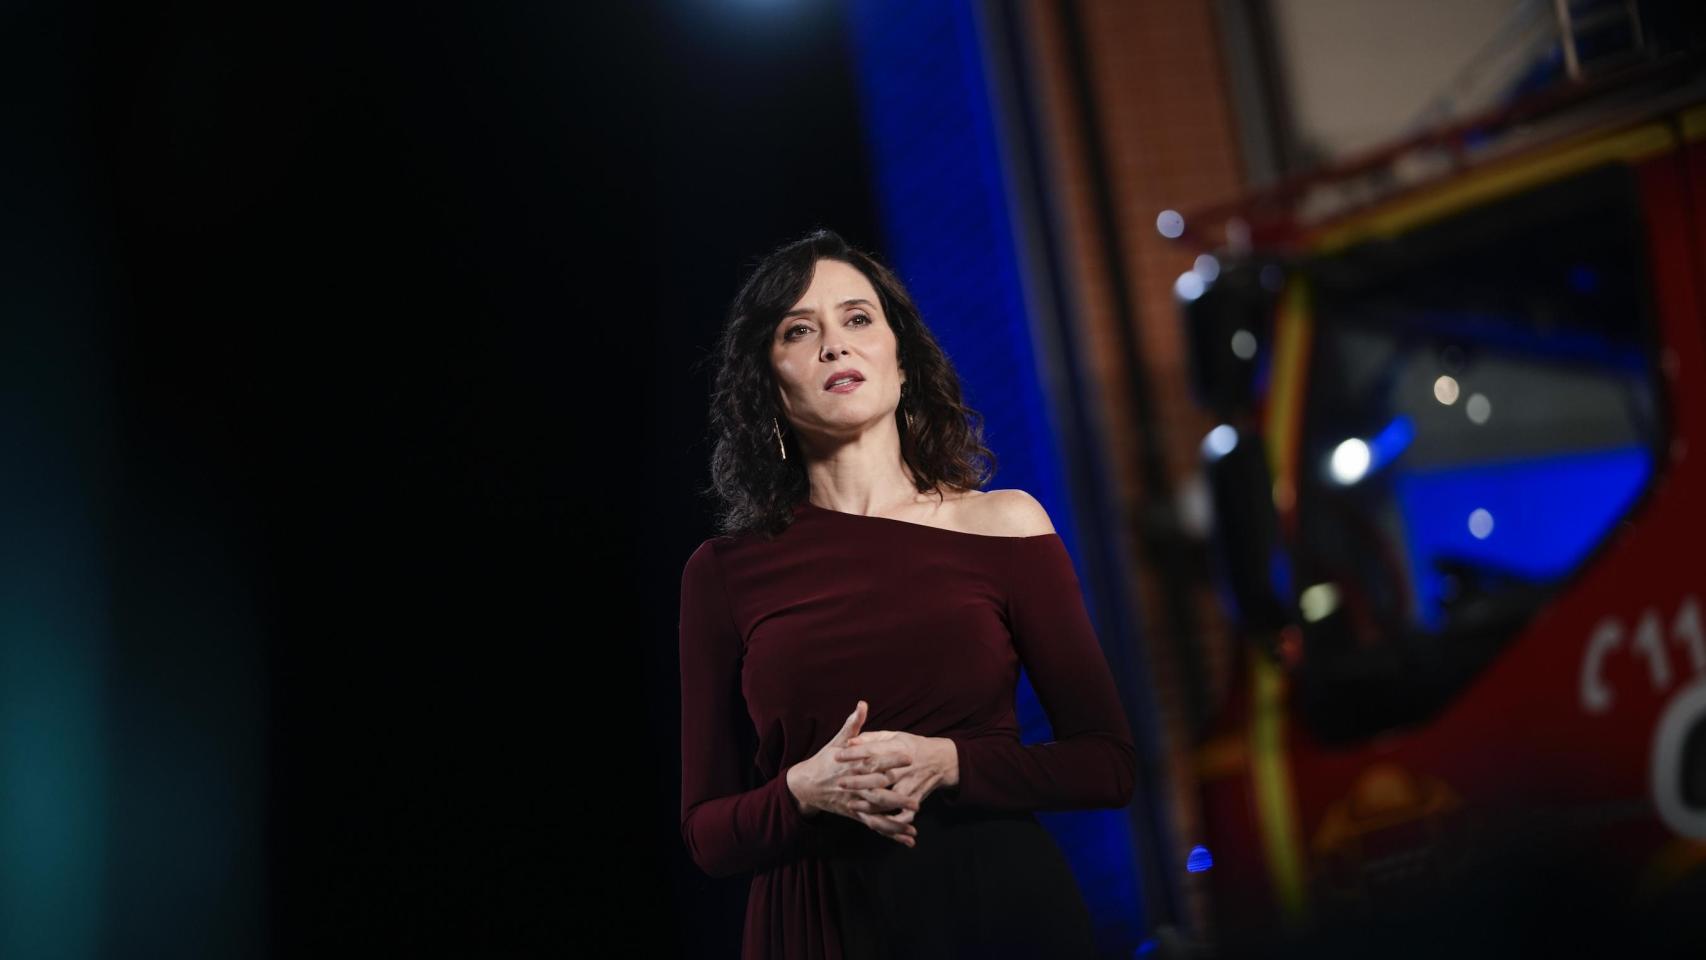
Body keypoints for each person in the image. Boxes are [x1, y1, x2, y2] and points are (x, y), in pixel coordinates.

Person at [679, 228, 1137, 959]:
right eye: (801, 330)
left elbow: (1108, 762)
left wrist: (951, 763)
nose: (836, 345)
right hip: (819, 923)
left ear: (901, 360)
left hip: (994, 909)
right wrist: (802, 788)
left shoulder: (1004, 525)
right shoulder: (724, 571)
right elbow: (706, 832)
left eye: (858, 319)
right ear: (766, 384)